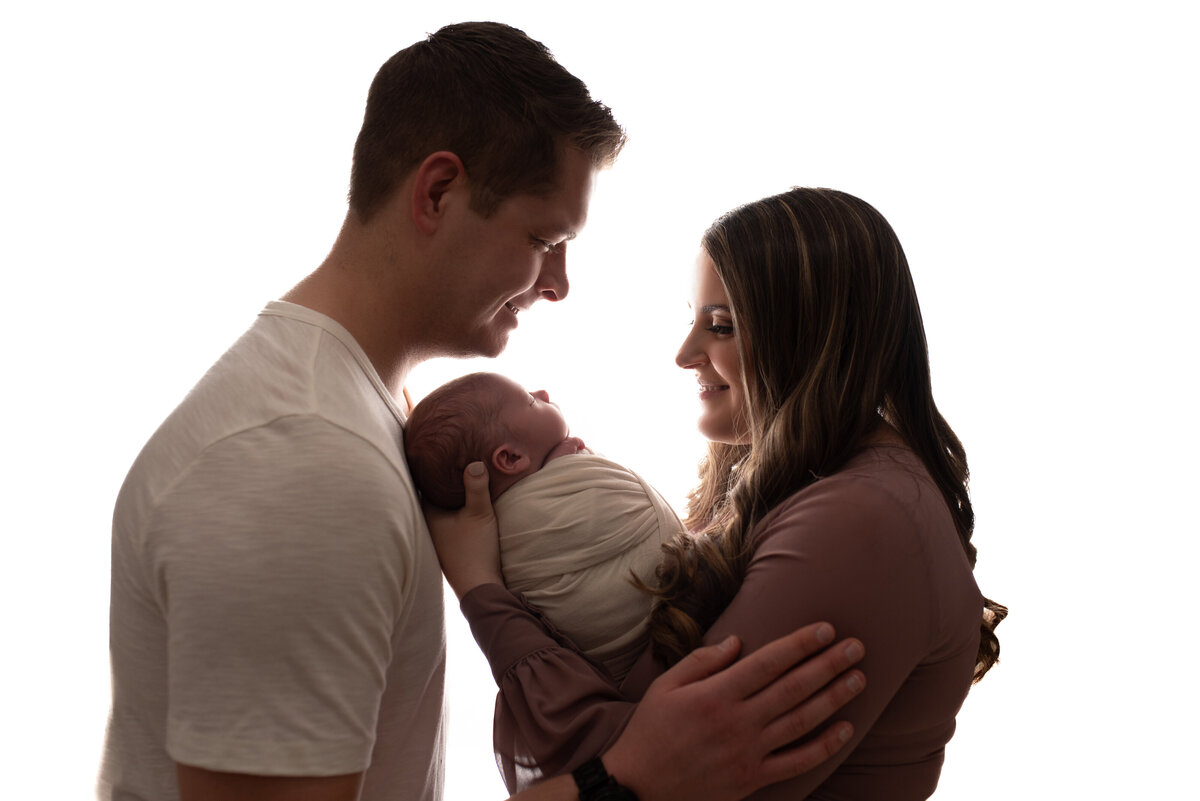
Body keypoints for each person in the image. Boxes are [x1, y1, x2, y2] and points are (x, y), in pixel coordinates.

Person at [99, 22, 866, 801]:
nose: (560, 283)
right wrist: (629, 777)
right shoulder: (302, 461)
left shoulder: (362, 412)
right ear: (438, 192)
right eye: (544, 238)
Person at [430, 187, 1006, 799]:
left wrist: (483, 590)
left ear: (812, 338)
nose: (684, 354)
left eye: (722, 325)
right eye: (693, 321)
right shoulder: (803, 487)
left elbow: (635, 764)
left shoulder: (862, 521)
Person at [406, 371, 683, 681]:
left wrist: (562, 464)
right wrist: (569, 464)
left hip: (620, 675)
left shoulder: (483, 535)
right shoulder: (511, 524)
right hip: (670, 629)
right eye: (530, 401)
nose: (543, 393)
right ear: (510, 458)